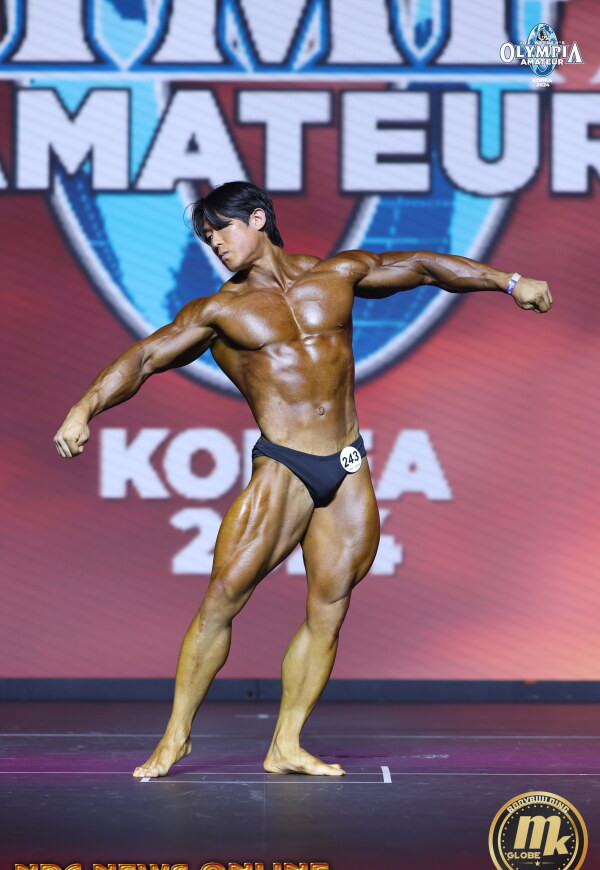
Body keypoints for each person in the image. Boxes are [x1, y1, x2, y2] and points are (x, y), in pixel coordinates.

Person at [53, 181, 553, 778]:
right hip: (285, 465)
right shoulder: (219, 312)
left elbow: (422, 266)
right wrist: (83, 409)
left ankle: (285, 743)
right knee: (223, 599)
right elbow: (144, 358)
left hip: (346, 463)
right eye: (208, 239)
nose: (216, 245)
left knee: (330, 606)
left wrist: (510, 282)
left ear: (257, 218)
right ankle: (175, 739)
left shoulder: (335, 275)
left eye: (222, 231)